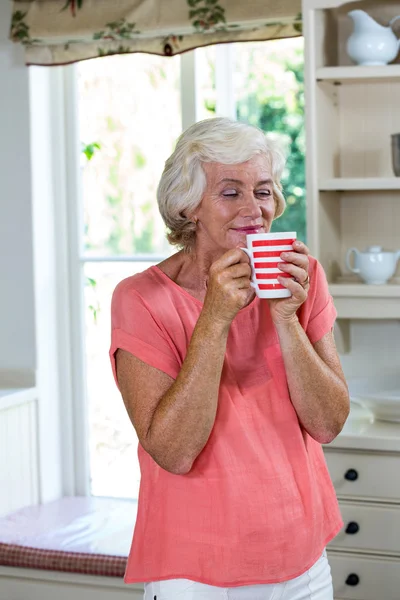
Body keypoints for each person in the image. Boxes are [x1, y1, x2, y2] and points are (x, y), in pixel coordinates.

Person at [109, 117, 350, 600]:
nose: (254, 209)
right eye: (230, 192)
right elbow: (173, 450)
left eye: (262, 191)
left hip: (302, 560)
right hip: (198, 574)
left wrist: (285, 317)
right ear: (188, 205)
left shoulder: (303, 280)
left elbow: (327, 423)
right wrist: (215, 318)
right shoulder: (141, 300)